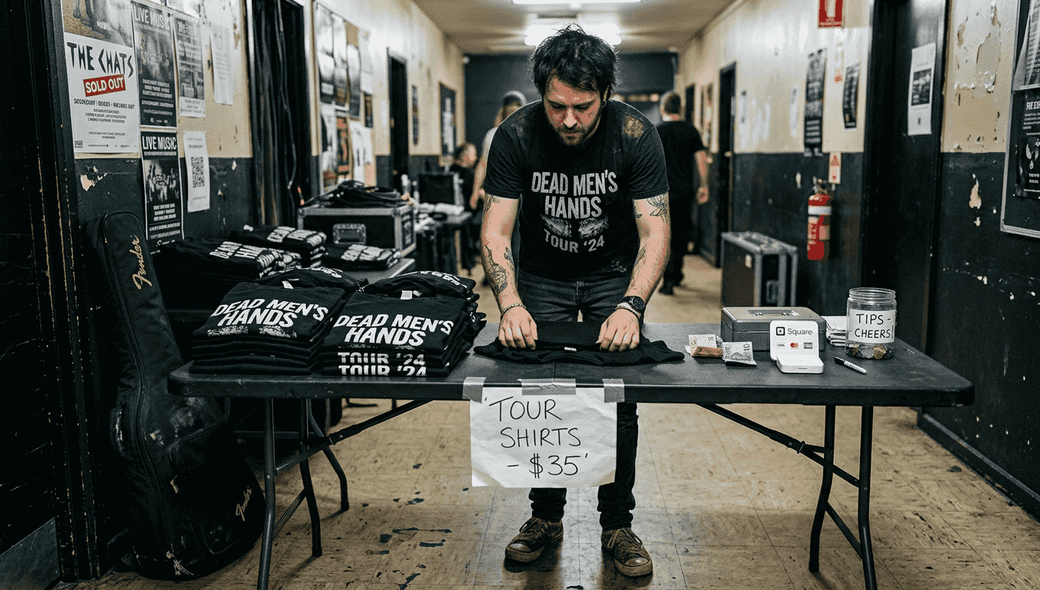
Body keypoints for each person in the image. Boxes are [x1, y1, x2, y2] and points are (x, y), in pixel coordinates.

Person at [479, 24, 670, 578]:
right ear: (541, 93)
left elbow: (655, 232)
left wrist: (632, 306)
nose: (568, 120)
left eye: (582, 107)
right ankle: (545, 518)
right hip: (543, 276)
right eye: (556, 105)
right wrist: (511, 303)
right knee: (545, 394)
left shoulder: (636, 135)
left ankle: (617, 524)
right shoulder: (516, 135)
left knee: (618, 396)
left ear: (605, 95)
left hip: (613, 274)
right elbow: (496, 230)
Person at [655, 91, 709, 295]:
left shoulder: (656, 131)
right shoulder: (691, 131)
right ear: (681, 108)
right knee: (680, 234)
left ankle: (668, 280)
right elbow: (701, 159)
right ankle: (676, 273)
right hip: (684, 192)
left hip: (660, 194)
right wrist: (704, 185)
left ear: (663, 108)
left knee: (664, 235)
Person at [471, 90, 526, 213]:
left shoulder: (530, 134)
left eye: (517, 105)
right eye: (511, 105)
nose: (514, 108)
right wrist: (475, 192)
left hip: (524, 197)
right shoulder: (492, 134)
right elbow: (483, 164)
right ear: (504, 109)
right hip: (500, 194)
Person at [449, 142, 479, 271]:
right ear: (464, 156)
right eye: (474, 154)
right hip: (469, 213)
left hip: (456, 211)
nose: (476, 158)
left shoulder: (450, 171)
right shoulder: (470, 174)